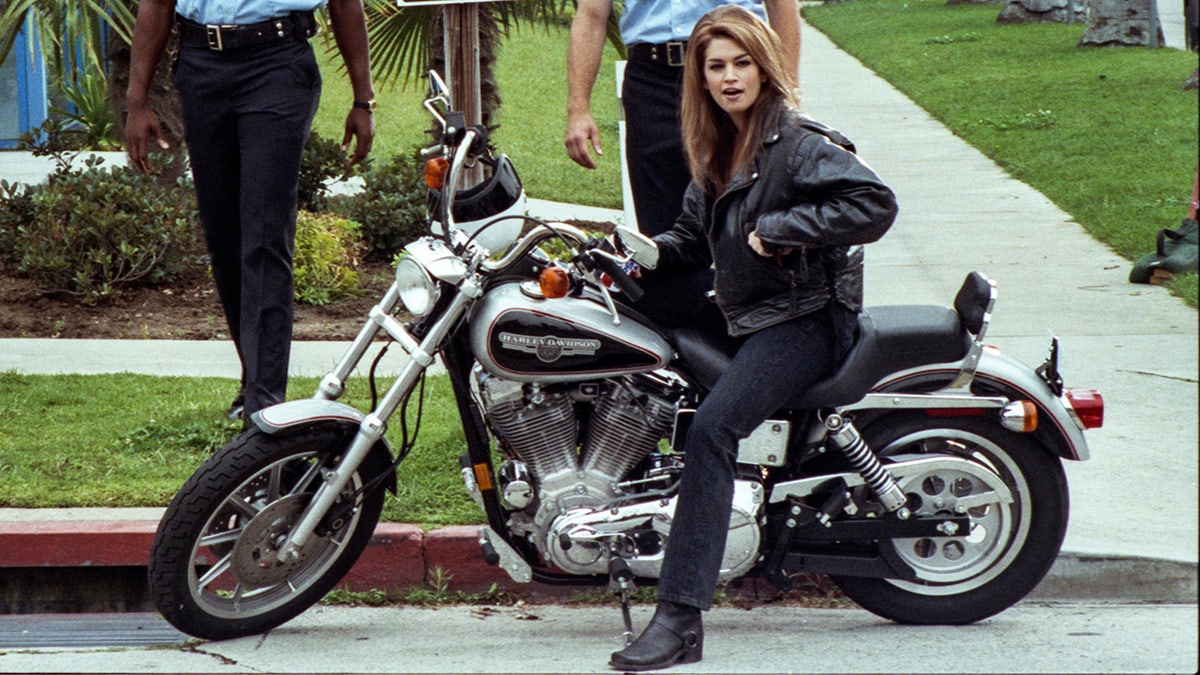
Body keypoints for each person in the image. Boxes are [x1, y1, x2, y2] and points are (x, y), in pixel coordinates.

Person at [607, 5, 898, 671]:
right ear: (702, 81)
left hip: (805, 321)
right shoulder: (719, 146)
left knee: (713, 428)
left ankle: (680, 619)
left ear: (764, 69)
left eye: (741, 63)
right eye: (717, 67)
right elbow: (687, 240)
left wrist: (784, 228)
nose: (730, 77)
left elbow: (875, 203)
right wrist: (631, 254)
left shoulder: (794, 142)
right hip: (758, 316)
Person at [124, 0, 375, 421]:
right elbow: (157, 5)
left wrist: (362, 100)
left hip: (277, 66)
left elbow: (346, 4)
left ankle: (265, 403)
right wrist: (137, 100)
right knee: (224, 237)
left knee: (263, 235)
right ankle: (253, 381)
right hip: (201, 66)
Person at [565, 0, 800, 238]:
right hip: (652, 82)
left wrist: (785, 92)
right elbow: (591, 16)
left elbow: (782, 6)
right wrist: (578, 109)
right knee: (660, 227)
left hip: (731, 73)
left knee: (747, 218)